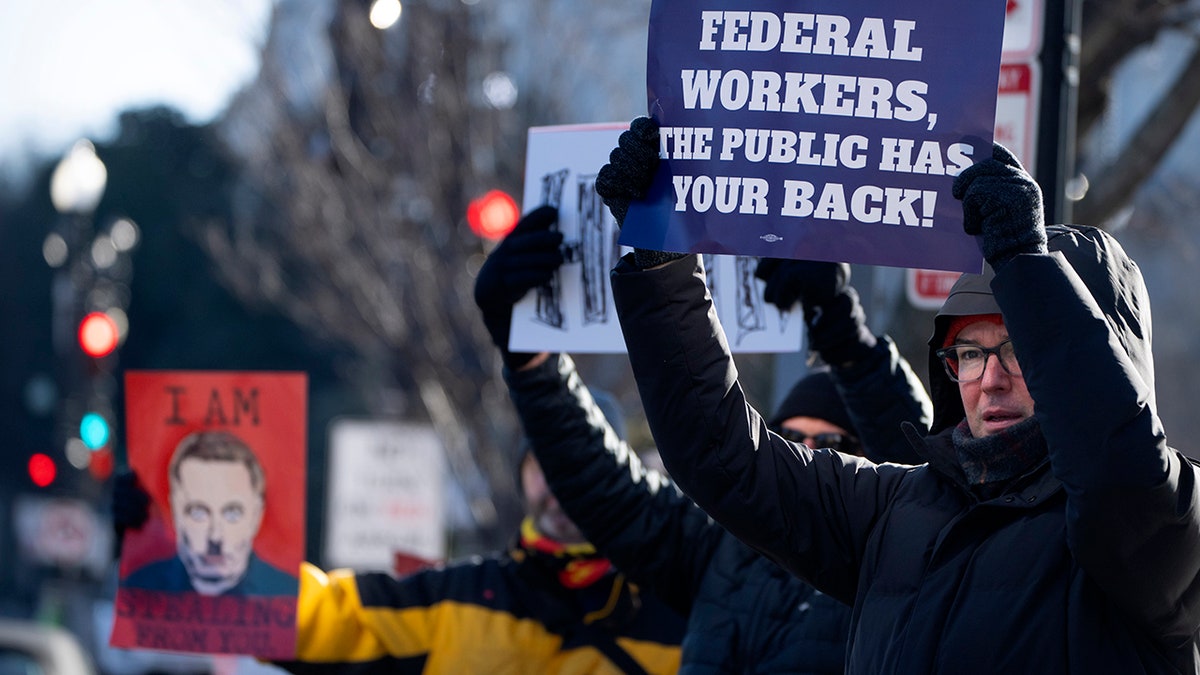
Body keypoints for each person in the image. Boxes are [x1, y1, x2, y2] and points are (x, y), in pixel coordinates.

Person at [596, 118, 1200, 672]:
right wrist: (659, 259)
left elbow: (1115, 469)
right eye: (970, 352)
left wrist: (1026, 265)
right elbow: (721, 454)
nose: (990, 378)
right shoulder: (897, 510)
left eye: (1019, 349)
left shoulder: (1166, 526)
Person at [473, 206, 930, 672]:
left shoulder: (896, 559)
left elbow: (921, 466)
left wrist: (844, 337)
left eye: (833, 443)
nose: (806, 453)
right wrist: (528, 357)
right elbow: (604, 487)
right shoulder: (717, 548)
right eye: (789, 438)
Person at [115, 442, 686, 673]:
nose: (560, 488)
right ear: (523, 476)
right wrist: (174, 549)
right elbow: (325, 617)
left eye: (585, 467)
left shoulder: (685, 611)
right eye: (544, 465)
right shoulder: (462, 595)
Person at [122, 429, 296, 596]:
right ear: (175, 511)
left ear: (256, 515)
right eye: (198, 512)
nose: (215, 536)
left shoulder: (291, 595)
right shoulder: (138, 589)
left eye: (232, 513)